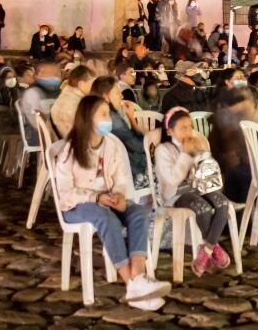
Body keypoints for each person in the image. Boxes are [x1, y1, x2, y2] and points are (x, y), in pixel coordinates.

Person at [53, 94, 171, 309]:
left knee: (138, 213)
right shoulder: (71, 150)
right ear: (88, 118)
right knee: (106, 218)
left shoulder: (111, 145)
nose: (109, 119)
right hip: (77, 206)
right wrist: (96, 197)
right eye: (104, 114)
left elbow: (120, 178)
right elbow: (64, 191)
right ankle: (131, 283)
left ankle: (139, 276)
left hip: (108, 201)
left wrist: (118, 195)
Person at [155, 107, 233, 275]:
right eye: (183, 128)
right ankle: (215, 248)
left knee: (222, 203)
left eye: (190, 127)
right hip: (177, 194)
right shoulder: (163, 150)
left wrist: (202, 153)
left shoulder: (195, 143)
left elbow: (208, 174)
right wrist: (186, 154)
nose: (188, 131)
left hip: (200, 188)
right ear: (170, 131)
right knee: (202, 207)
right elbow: (172, 180)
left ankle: (206, 251)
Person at [51, 65, 96, 138]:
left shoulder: (68, 95)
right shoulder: (73, 103)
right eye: (92, 83)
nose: (94, 87)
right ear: (81, 84)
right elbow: (80, 135)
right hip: (73, 144)